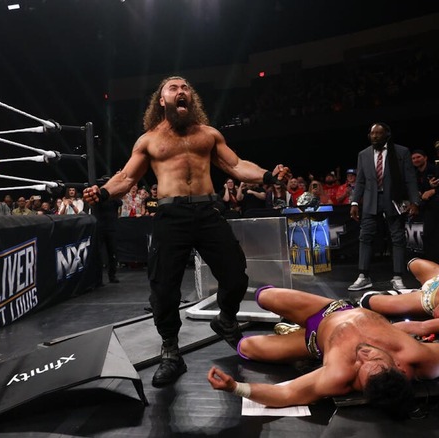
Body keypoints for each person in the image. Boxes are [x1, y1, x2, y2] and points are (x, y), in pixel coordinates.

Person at [83, 76, 287, 388]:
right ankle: (171, 352)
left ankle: (226, 319)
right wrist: (104, 192)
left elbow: (236, 165)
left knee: (235, 275)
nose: (182, 91)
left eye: (186, 87)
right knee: (164, 289)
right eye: (173, 87)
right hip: (170, 215)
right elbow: (126, 178)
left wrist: (267, 175)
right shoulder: (149, 140)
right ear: (161, 100)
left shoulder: (208, 134)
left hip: (208, 212)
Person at [208, 280, 439, 416]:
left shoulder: (337, 376)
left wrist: (235, 387)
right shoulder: (416, 357)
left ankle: (281, 333)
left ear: (356, 382)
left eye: (365, 365)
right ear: (401, 368)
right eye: (376, 357)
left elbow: (285, 394)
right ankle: (285, 321)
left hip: (313, 342)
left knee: (247, 347)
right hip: (333, 309)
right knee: (265, 296)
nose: (363, 355)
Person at [349, 123, 420, 291]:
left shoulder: (401, 152)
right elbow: (360, 181)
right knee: (365, 236)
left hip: (395, 199)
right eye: (372, 134)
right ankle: (363, 276)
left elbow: (410, 179)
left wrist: (415, 201)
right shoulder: (363, 154)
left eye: (378, 134)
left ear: (387, 135)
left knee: (397, 237)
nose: (374, 136)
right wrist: (354, 202)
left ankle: (397, 277)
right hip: (371, 200)